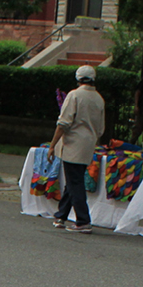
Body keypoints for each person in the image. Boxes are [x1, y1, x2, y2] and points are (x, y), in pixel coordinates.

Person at [49, 65, 106, 234]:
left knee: (75, 183)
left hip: (73, 143)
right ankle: (61, 215)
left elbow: (63, 123)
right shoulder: (99, 99)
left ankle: (83, 220)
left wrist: (52, 145)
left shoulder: (74, 95)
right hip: (88, 144)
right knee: (74, 180)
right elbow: (101, 128)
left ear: (78, 78)